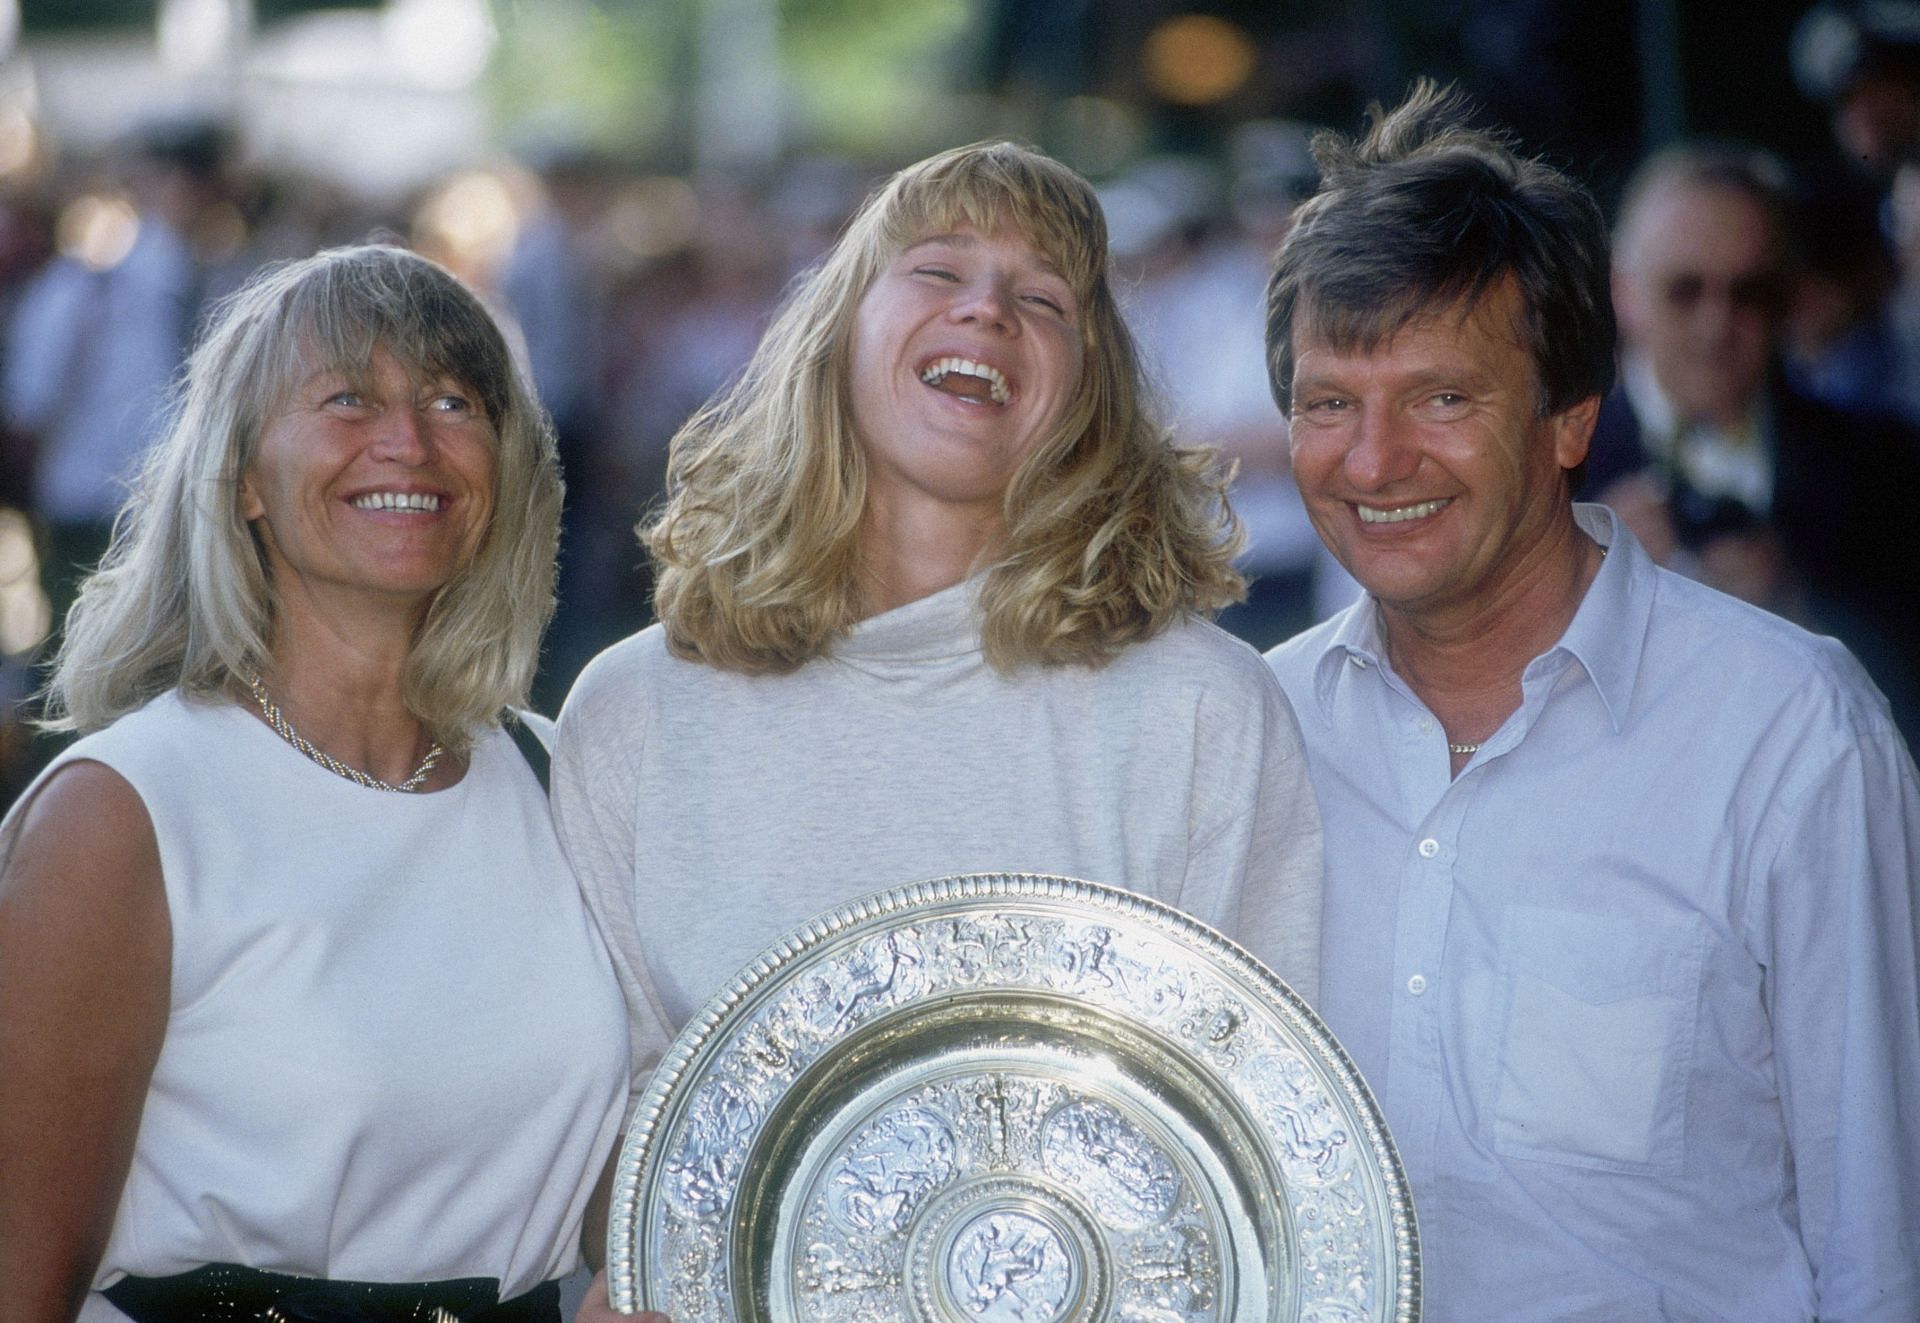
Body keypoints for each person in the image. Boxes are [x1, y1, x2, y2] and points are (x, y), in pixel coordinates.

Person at [555, 140, 1324, 1317]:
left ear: (1093, 392)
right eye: (938, 269)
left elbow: (1267, 1147)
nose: (988, 309)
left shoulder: (1202, 712)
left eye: (1045, 297)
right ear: (838, 333)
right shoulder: (637, 710)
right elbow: (598, 1114)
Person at [1263, 84, 1920, 1320]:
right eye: (1328, 401)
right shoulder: (1250, 737)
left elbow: (1883, 1236)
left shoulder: (1789, 735)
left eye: (1442, 396)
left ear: (1571, 418)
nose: (1372, 459)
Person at [0, 244, 640, 1322]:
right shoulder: (126, 810)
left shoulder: (559, 776)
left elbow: (626, 1184)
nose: (408, 440)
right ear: (244, 477)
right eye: (347, 397)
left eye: (453, 399)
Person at [1590, 140, 1920, 743]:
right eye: (1686, 290)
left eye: (1749, 293)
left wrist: (1801, 612)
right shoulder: (1554, 467)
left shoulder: (1887, 466)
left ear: (1790, 298)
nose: (1717, 325)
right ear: (1625, 293)